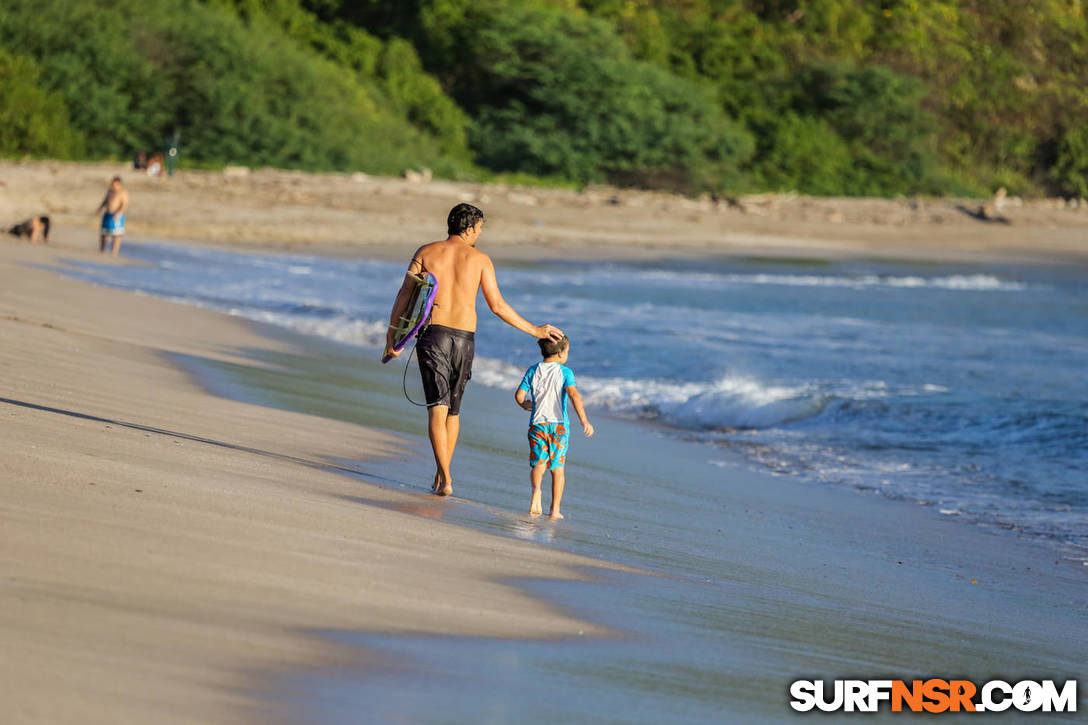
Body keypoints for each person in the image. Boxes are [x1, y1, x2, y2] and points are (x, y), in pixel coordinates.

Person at [384, 203, 564, 497]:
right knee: (453, 411)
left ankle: (444, 474)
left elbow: (406, 294)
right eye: (479, 228)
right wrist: (535, 330)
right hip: (465, 339)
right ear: (468, 229)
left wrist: (392, 338)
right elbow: (497, 306)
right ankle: (442, 474)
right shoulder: (481, 260)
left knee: (436, 408)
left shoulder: (426, 252)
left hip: (434, 335)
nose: (480, 233)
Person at [515, 335, 594, 519]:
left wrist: (524, 404)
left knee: (538, 464)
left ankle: (536, 491)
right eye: (567, 352)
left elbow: (519, 395)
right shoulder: (565, 373)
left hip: (537, 424)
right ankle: (555, 510)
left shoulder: (533, 370)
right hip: (558, 427)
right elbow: (574, 396)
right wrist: (584, 421)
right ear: (560, 353)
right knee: (558, 469)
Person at [97, 176, 129, 257]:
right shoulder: (110, 191)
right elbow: (105, 201)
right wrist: (99, 209)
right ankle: (102, 250)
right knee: (103, 233)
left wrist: (118, 214)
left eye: (114, 183)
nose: (113, 185)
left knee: (116, 235)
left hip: (117, 215)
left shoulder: (123, 192)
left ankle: (114, 252)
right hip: (107, 214)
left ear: (119, 183)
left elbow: (124, 205)